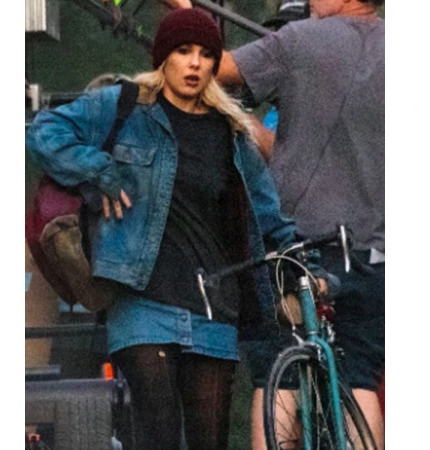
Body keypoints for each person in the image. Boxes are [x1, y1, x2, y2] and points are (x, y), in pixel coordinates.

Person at [25, 8, 313, 449]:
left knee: (208, 440)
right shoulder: (124, 105)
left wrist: (302, 263)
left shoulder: (232, 133)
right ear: (164, 57)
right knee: (157, 432)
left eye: (206, 54)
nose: (195, 63)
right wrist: (99, 169)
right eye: (183, 51)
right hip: (142, 302)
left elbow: (268, 215)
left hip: (214, 308)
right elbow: (45, 131)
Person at [164, 0, 385, 448]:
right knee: (359, 377)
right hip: (374, 251)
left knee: (277, 375)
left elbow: (208, 67)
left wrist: (184, 11)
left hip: (298, 244)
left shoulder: (301, 41)